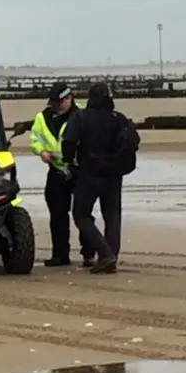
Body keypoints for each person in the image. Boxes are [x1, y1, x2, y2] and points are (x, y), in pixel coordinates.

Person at [61, 82, 141, 274]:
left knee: (81, 214)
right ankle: (112, 255)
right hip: (114, 174)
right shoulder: (119, 118)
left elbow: (69, 141)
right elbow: (134, 141)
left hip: (89, 173)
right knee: (112, 216)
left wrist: (69, 161)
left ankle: (105, 254)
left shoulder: (81, 116)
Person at [29, 82, 96, 267]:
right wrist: (41, 151)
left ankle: (89, 253)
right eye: (53, 102)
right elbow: (35, 138)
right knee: (57, 214)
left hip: (79, 169)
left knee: (82, 213)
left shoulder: (82, 115)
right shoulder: (42, 117)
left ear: (69, 98)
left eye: (60, 102)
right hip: (56, 170)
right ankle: (60, 254)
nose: (56, 106)